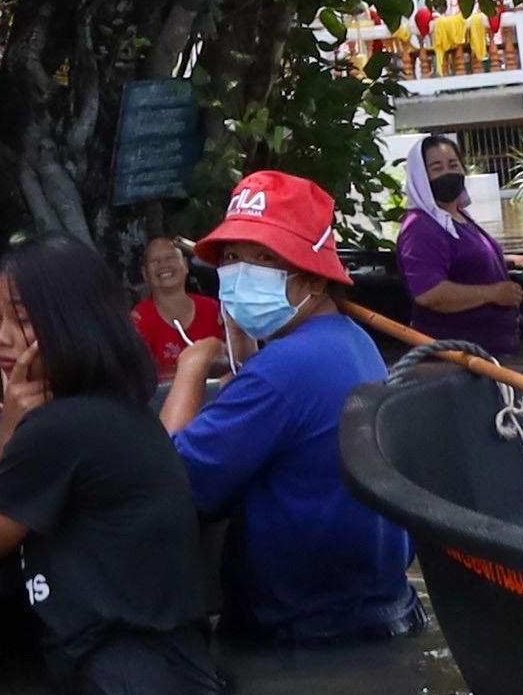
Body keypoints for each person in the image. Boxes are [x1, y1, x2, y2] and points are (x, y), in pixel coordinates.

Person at [0, 237, 227, 695]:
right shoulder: (111, 409)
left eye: (23, 320)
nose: (3, 337)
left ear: (74, 325)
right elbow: (8, 499)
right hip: (164, 678)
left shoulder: (63, 429)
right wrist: (11, 420)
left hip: (129, 687)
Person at [161, 171, 417, 644]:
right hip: (377, 608)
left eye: (264, 259)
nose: (241, 273)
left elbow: (166, 482)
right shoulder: (350, 340)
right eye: (233, 258)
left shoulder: (283, 371)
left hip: (309, 631)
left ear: (314, 279)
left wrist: (192, 367)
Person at [396, 134, 523, 359]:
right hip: (455, 362)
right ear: (421, 178)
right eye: (437, 168)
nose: (448, 173)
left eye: (453, 165)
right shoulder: (421, 227)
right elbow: (429, 292)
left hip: (490, 353)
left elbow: (460, 258)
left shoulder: (456, 216)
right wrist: (494, 293)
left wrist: (508, 259)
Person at [129, 234, 223, 377]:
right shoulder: (138, 320)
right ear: (145, 274)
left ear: (185, 265)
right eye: (155, 261)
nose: (163, 264)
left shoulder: (213, 310)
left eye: (170, 258)